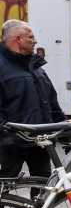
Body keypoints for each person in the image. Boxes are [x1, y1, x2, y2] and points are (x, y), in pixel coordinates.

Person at [0, 21, 64, 178]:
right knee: (4, 186)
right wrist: (7, 137)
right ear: (18, 39)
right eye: (31, 37)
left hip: (40, 142)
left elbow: (52, 102)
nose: (35, 41)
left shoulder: (35, 66)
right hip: (10, 145)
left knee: (44, 187)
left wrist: (64, 129)